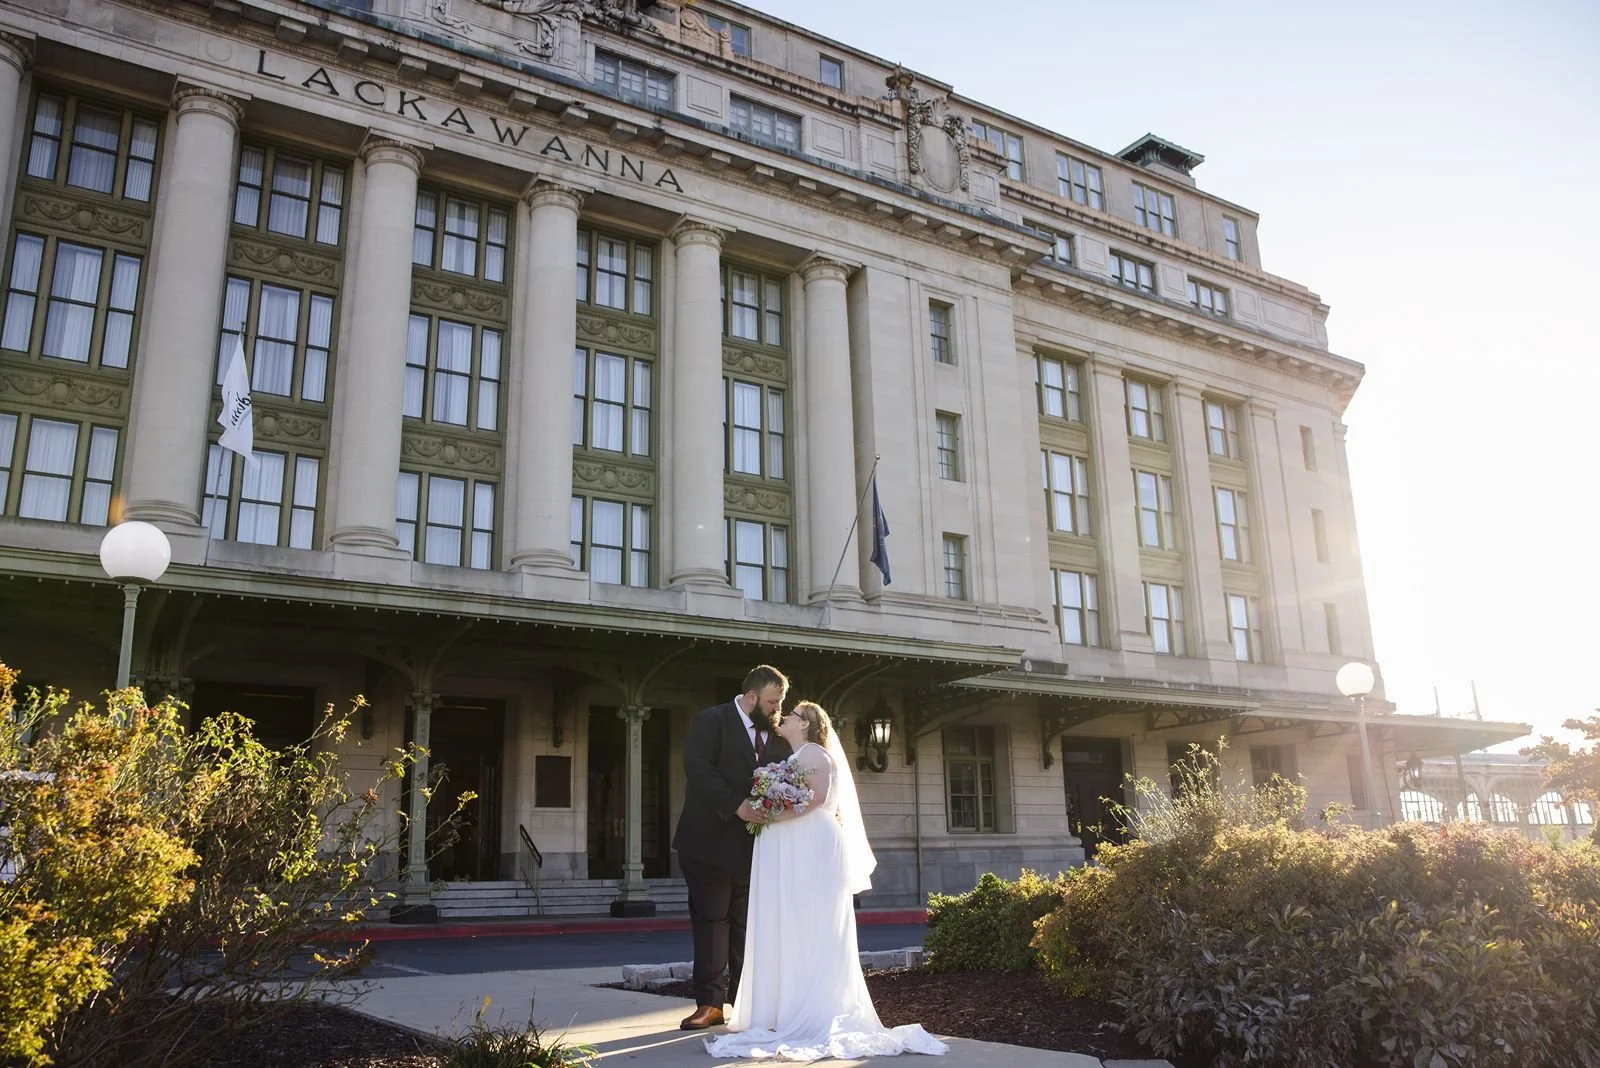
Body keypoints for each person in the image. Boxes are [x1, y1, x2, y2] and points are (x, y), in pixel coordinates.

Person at [705, 701, 948, 1061]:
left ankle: (813, 1009)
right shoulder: (795, 755)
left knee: (810, 924)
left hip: (810, 848)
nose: (784, 717)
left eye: (792, 715)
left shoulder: (816, 754)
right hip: (791, 847)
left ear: (805, 725)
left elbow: (816, 800)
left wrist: (772, 813)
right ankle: (784, 1008)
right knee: (791, 924)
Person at [673, 664, 794, 1031]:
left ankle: (744, 1003)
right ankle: (710, 1004)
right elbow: (697, 768)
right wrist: (737, 805)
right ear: (753, 697)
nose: (778, 710)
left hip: (755, 849)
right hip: (707, 844)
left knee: (746, 927)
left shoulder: (778, 737)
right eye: (773, 702)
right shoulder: (710, 721)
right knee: (712, 923)